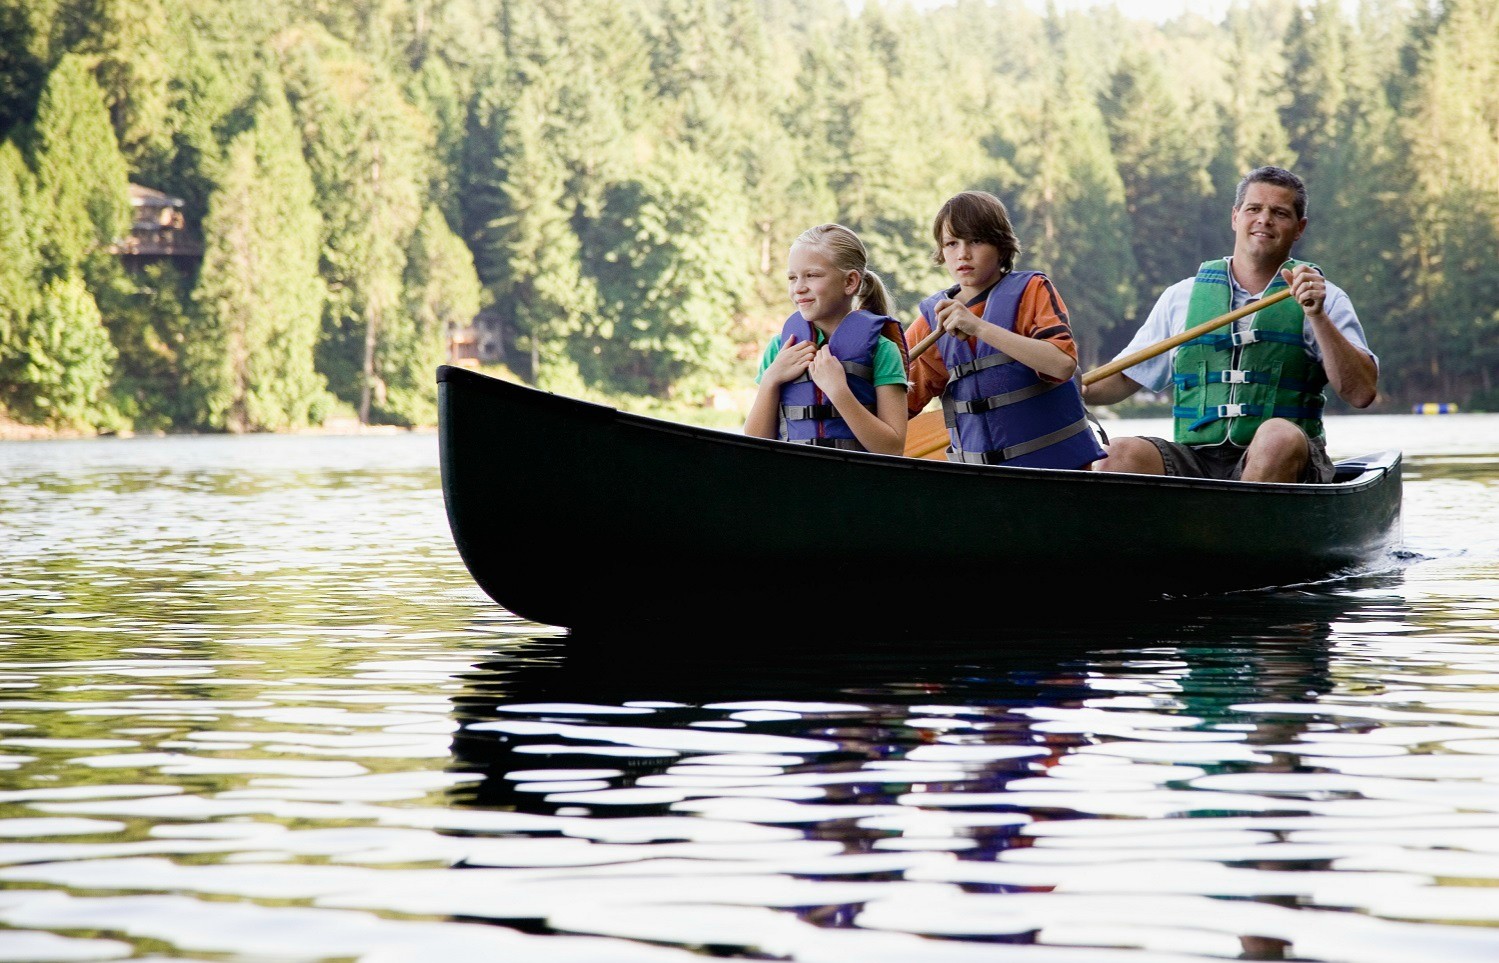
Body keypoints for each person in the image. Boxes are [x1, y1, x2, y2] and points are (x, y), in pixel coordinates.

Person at [1083, 166, 1378, 483]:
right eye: (1254, 209)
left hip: (1287, 458)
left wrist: (1316, 315)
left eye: (1279, 213)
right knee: (1117, 453)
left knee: (1276, 437)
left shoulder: (1325, 298)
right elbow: (1125, 378)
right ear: (1235, 217)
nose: (1264, 219)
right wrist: (1066, 388)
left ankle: (1244, 526)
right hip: (1196, 459)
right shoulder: (1181, 297)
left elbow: (1361, 393)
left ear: (1299, 228)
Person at [905, 190, 1105, 470]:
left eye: (975, 240)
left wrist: (978, 327)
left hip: (1057, 473)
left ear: (1000, 245)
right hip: (985, 481)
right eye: (951, 243)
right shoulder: (932, 322)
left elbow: (1061, 365)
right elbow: (896, 406)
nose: (962, 254)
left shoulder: (1032, 291)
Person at [744, 223, 909, 455]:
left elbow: (892, 449)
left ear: (850, 282)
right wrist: (771, 379)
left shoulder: (883, 351)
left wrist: (839, 392)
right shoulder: (780, 349)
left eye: (812, 275)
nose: (799, 288)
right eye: (792, 278)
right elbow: (753, 448)